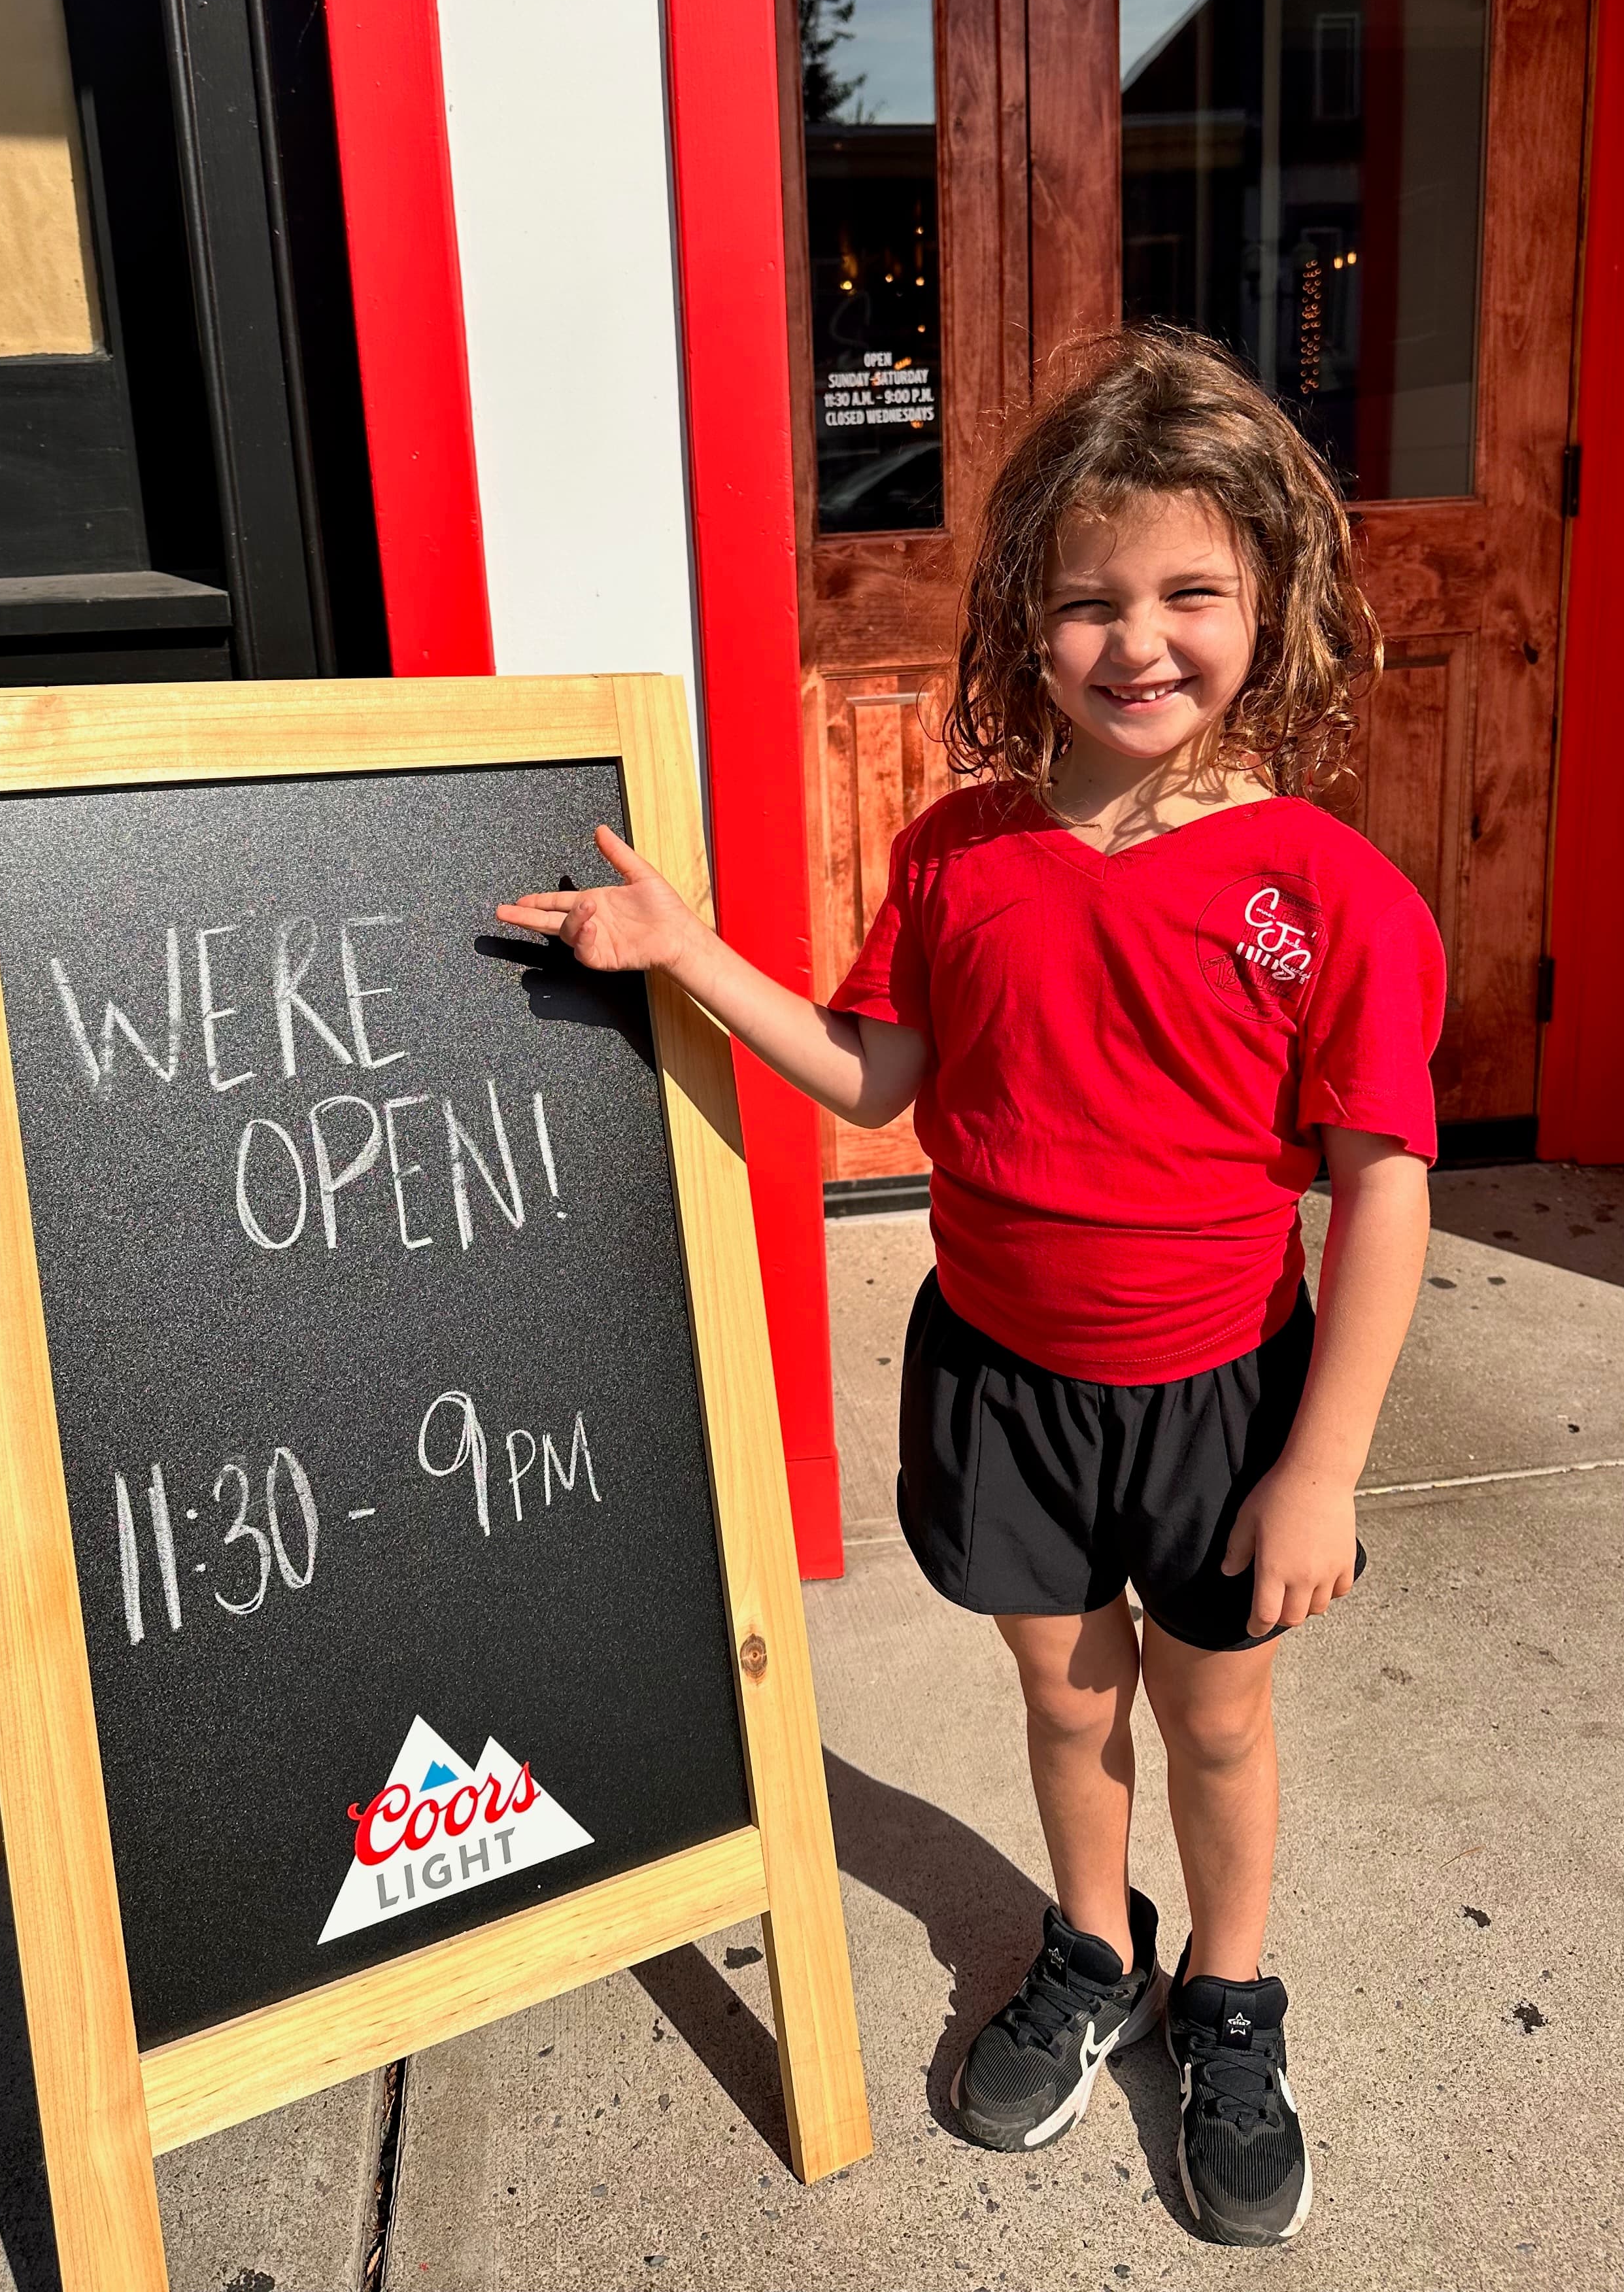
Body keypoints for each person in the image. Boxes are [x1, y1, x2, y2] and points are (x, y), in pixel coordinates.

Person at [498, 327, 1441, 2249]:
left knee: (1219, 1720)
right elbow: (873, 1080)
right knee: (1062, 1689)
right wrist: (681, 952)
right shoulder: (959, 857)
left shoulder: (1334, 893)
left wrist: (1322, 1464)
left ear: (1274, 596)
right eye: (1090, 600)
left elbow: (1385, 1192)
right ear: (1028, 618)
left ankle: (1231, 2002)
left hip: (1224, 1395)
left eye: (1192, 592)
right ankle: (1093, 1948)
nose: (1141, 640)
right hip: (999, 1376)